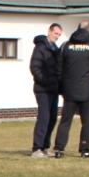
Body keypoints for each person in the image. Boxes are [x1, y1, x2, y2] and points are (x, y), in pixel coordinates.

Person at [53, 21, 89, 159]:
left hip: (69, 90)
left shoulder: (65, 45)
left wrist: (62, 85)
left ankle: (59, 149)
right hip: (88, 90)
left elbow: (58, 67)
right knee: (87, 122)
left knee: (65, 121)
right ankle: (85, 150)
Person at [29, 23, 63, 158]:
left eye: (59, 35)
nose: (57, 37)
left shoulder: (55, 48)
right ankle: (37, 148)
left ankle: (45, 147)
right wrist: (45, 80)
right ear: (49, 31)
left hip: (53, 89)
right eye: (56, 33)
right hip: (42, 89)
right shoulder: (40, 47)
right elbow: (34, 67)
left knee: (52, 118)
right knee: (44, 117)